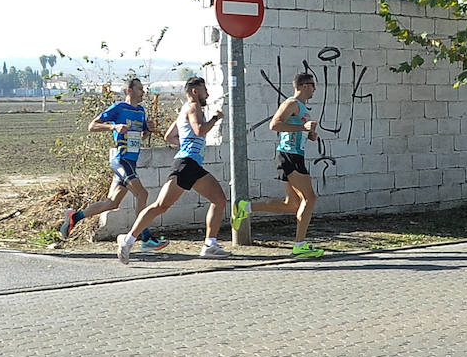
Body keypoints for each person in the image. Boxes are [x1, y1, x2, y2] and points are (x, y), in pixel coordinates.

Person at [116, 76, 230, 264]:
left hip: (191, 164)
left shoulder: (185, 109)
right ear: (194, 91)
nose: (207, 93)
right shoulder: (193, 107)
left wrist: (187, 145)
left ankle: (210, 245)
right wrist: (215, 118)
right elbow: (200, 130)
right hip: (186, 164)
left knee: (219, 200)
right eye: (204, 89)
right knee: (160, 206)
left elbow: (170, 136)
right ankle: (127, 240)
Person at [57, 78, 168, 253]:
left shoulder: (141, 111)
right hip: (121, 160)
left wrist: (148, 130)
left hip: (131, 161)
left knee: (112, 203)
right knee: (142, 194)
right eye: (139, 89)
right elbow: (92, 126)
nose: (143, 92)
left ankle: (74, 217)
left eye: (143, 89)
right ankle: (146, 238)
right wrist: (113, 127)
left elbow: (141, 137)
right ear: (129, 91)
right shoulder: (118, 108)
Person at [231, 72, 325, 259]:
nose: (315, 89)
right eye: (313, 85)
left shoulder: (303, 108)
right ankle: (300, 246)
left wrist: (310, 135)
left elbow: (298, 131)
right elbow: (274, 125)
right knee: (310, 198)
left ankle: (245, 207)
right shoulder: (291, 104)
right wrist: (302, 128)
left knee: (291, 204)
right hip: (289, 155)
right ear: (305, 86)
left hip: (293, 155)